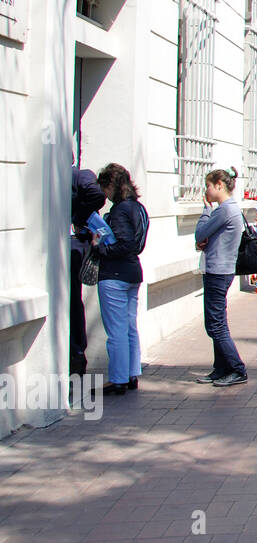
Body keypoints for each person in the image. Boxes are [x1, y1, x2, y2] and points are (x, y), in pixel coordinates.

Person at [93, 163, 149, 396]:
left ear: (112, 185)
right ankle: (131, 373)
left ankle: (118, 379)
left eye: (105, 188)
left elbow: (124, 244)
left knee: (116, 329)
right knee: (128, 327)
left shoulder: (120, 210)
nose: (104, 195)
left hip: (114, 274)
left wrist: (99, 247)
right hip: (132, 272)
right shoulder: (138, 208)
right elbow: (135, 244)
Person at [193, 167, 249, 387]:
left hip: (218, 271)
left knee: (215, 325)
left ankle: (237, 368)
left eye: (208, 185)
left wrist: (206, 210)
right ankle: (221, 368)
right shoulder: (230, 210)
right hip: (220, 269)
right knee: (216, 322)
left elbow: (200, 233)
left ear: (219, 185)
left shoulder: (223, 210)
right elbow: (207, 238)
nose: (206, 190)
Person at [70, 167, 106, 380]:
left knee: (73, 301)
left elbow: (97, 195)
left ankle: (77, 354)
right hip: (65, 245)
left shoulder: (79, 174)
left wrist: (77, 216)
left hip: (76, 245)